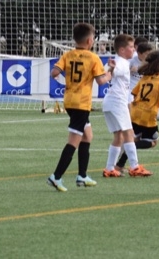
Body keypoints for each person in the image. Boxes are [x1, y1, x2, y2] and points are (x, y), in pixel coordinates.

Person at [47, 22, 114, 192]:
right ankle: (56, 176)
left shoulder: (67, 55)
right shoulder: (93, 58)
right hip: (81, 104)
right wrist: (110, 73)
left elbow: (54, 73)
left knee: (87, 136)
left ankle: (82, 176)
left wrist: (68, 80)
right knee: (73, 141)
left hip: (69, 100)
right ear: (90, 41)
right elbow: (101, 81)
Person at [102, 34, 153, 178]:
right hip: (117, 102)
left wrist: (110, 68)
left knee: (119, 136)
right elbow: (114, 70)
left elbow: (109, 70)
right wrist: (112, 68)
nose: (134, 49)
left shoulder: (120, 61)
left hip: (110, 102)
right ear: (122, 50)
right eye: (131, 47)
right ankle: (135, 167)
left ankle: (110, 168)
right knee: (129, 133)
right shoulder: (122, 62)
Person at [114, 50, 159, 171]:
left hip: (136, 112)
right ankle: (129, 149)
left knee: (135, 138)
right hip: (148, 115)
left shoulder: (145, 77)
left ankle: (119, 165)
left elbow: (134, 93)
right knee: (153, 141)